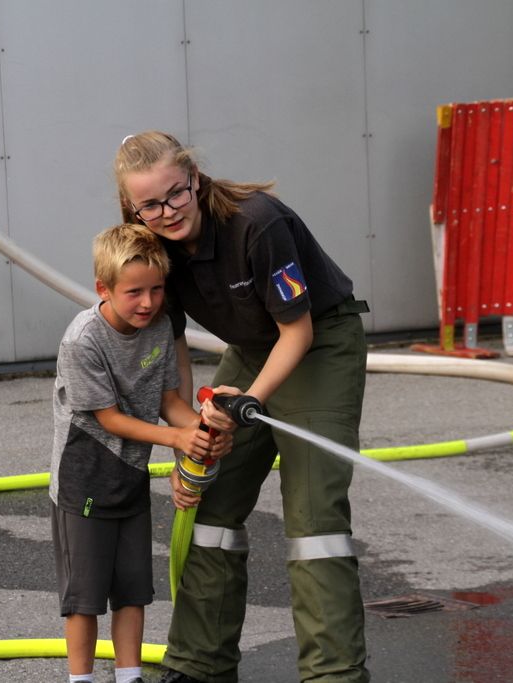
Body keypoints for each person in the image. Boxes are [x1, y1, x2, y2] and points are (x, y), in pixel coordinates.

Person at [113, 131, 371, 683]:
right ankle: (200, 665)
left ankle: (333, 675)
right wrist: (191, 438)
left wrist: (250, 402)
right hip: (253, 351)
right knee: (210, 498)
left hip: (318, 345)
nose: (167, 212)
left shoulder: (257, 224)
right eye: (150, 204)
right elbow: (176, 354)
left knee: (314, 516)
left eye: (176, 194)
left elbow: (297, 332)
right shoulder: (152, 248)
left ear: (194, 179)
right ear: (132, 208)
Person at [50, 223, 233, 683]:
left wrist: (203, 426)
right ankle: (81, 680)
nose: (148, 303)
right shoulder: (83, 340)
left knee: (133, 592)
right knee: (85, 599)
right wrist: (177, 440)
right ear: (104, 289)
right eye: (134, 292)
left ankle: (129, 677)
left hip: (131, 476)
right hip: (84, 479)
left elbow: (169, 402)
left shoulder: (159, 326)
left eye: (156, 289)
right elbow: (109, 419)